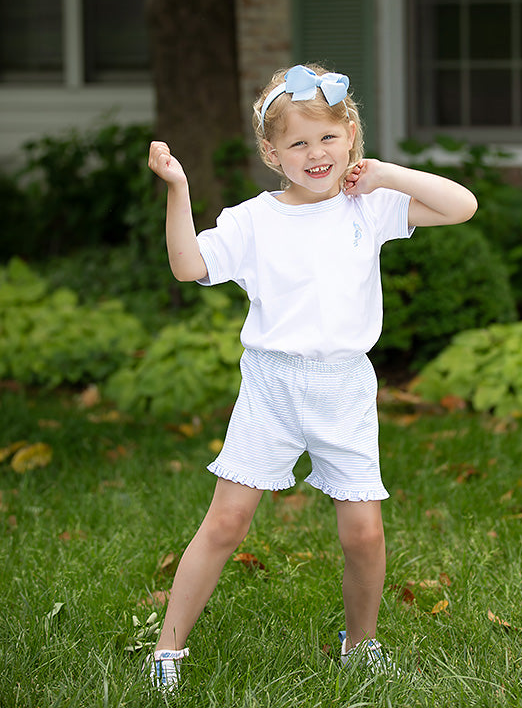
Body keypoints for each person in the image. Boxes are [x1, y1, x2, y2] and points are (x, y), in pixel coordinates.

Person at [146, 63, 477, 689]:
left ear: (350, 136)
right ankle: (168, 648)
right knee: (226, 522)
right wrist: (179, 189)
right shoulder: (253, 220)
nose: (315, 154)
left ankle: (361, 642)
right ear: (272, 153)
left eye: (328, 138)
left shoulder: (369, 205)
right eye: (297, 143)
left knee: (363, 529)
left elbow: (462, 206)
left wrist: (381, 173)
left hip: (345, 385)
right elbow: (189, 266)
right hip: (271, 386)